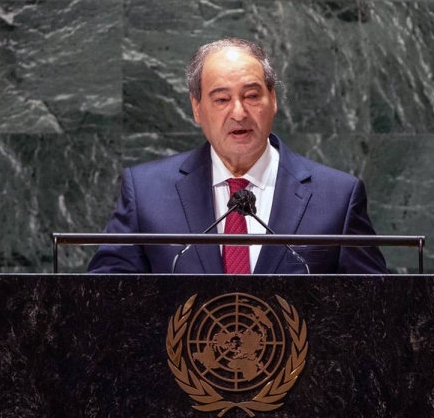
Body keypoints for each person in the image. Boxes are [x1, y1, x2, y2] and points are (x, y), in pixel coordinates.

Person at [88, 38, 387, 274]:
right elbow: (103, 299)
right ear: (196, 107)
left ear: (273, 100)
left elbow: (376, 308)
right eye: (221, 99)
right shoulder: (146, 192)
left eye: (252, 95)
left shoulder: (337, 197)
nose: (239, 113)